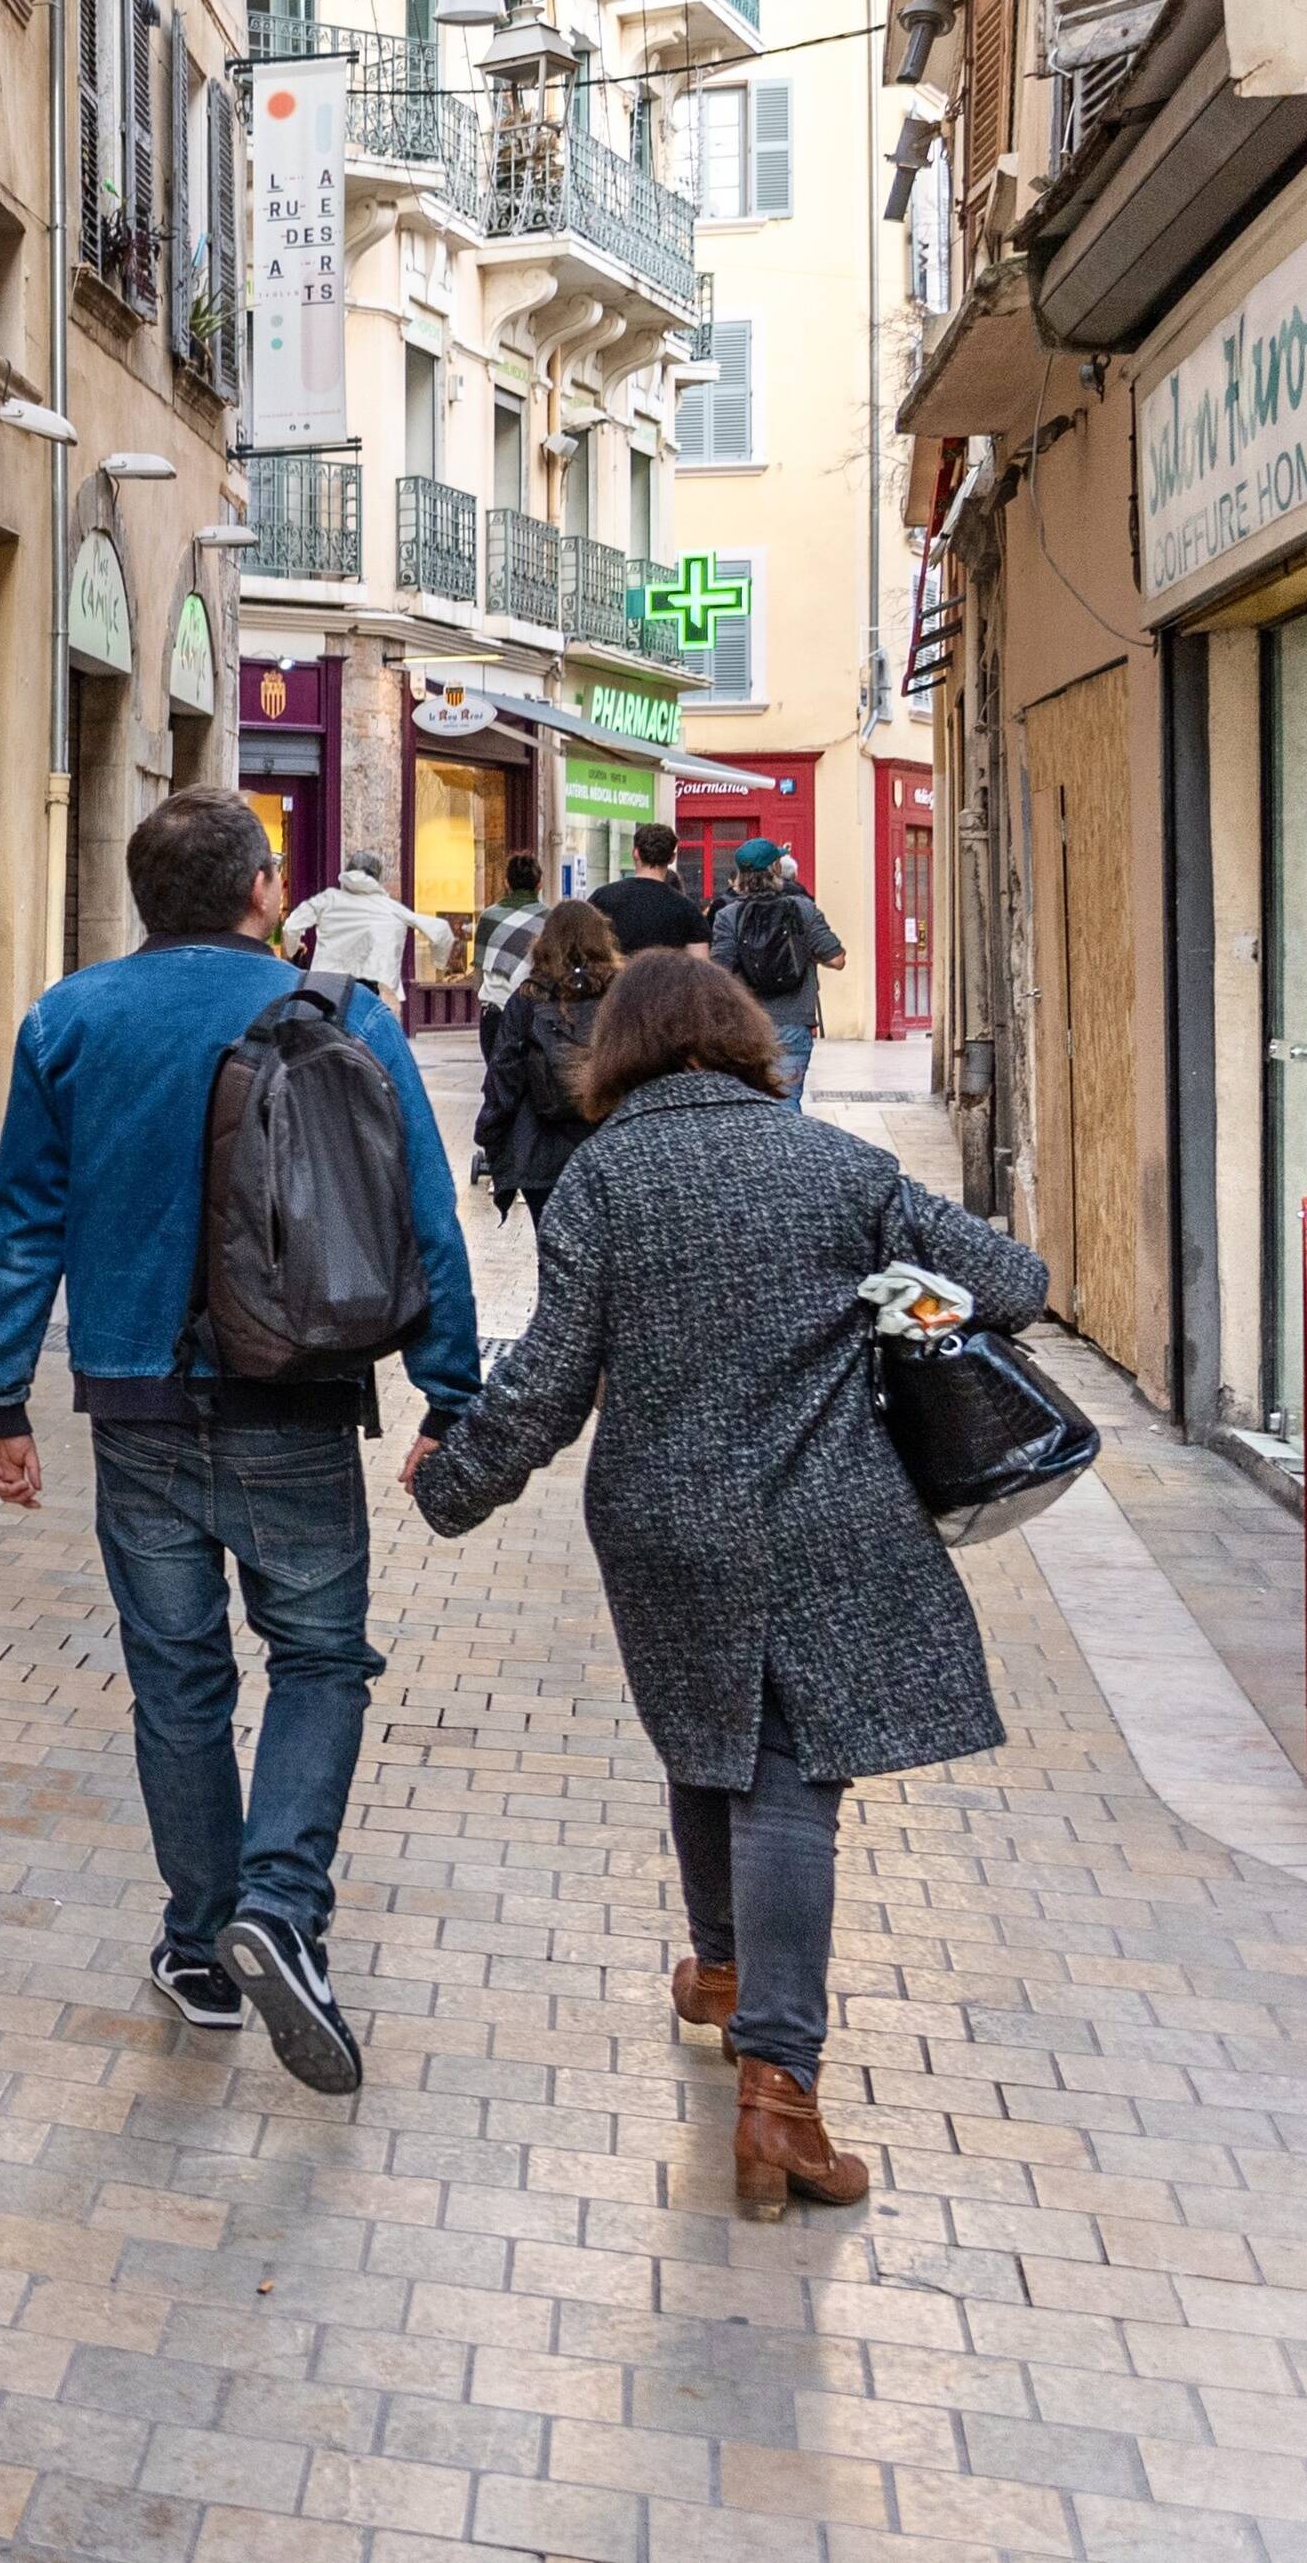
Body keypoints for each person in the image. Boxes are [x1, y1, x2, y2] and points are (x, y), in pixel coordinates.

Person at [408, 952, 1049, 2218]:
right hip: (822, 1512)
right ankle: (780, 2093)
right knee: (787, 1779)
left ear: (618, 1052)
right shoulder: (835, 1164)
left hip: (657, 1523)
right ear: (746, 1041)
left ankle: (718, 1972)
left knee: (709, 1732)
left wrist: (451, 1483)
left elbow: (547, 1380)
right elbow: (1014, 1285)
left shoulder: (603, 1177)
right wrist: (895, 1303)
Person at [0, 790, 486, 2093]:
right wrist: (452, 1393)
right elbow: (424, 1211)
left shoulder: (69, 1018)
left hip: (133, 1407)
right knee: (319, 1656)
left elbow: (24, 1221)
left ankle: (203, 1944)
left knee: (178, 1681)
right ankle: (280, 1901)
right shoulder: (348, 1016)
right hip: (298, 1405)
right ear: (264, 892)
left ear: (145, 898)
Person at [471, 898, 623, 1220]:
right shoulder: (622, 998)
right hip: (611, 1148)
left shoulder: (527, 998)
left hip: (543, 1153)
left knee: (552, 1251)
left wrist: (492, 1138)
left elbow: (503, 1079)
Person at [708, 840, 847, 1104]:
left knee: (747, 1107)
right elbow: (837, 959)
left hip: (746, 1024)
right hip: (793, 1023)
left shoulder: (727, 916)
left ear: (740, 873)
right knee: (787, 1103)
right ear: (775, 867)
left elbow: (720, 974)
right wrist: (804, 951)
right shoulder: (802, 909)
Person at [278, 850, 450, 1003]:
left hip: (324, 984)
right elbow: (441, 930)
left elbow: (291, 926)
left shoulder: (328, 899)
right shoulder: (387, 906)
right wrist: (439, 963)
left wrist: (295, 949)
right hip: (364, 988)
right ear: (377, 877)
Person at [592, 821, 706, 959]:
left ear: (635, 853)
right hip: (666, 979)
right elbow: (700, 966)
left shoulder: (602, 898)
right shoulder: (688, 910)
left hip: (616, 979)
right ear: (672, 858)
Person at [468, 852, 551, 1037]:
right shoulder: (550, 919)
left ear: (506, 882)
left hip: (495, 1011)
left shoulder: (489, 917)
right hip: (534, 1011)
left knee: (496, 1065)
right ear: (539, 884)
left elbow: (479, 972)